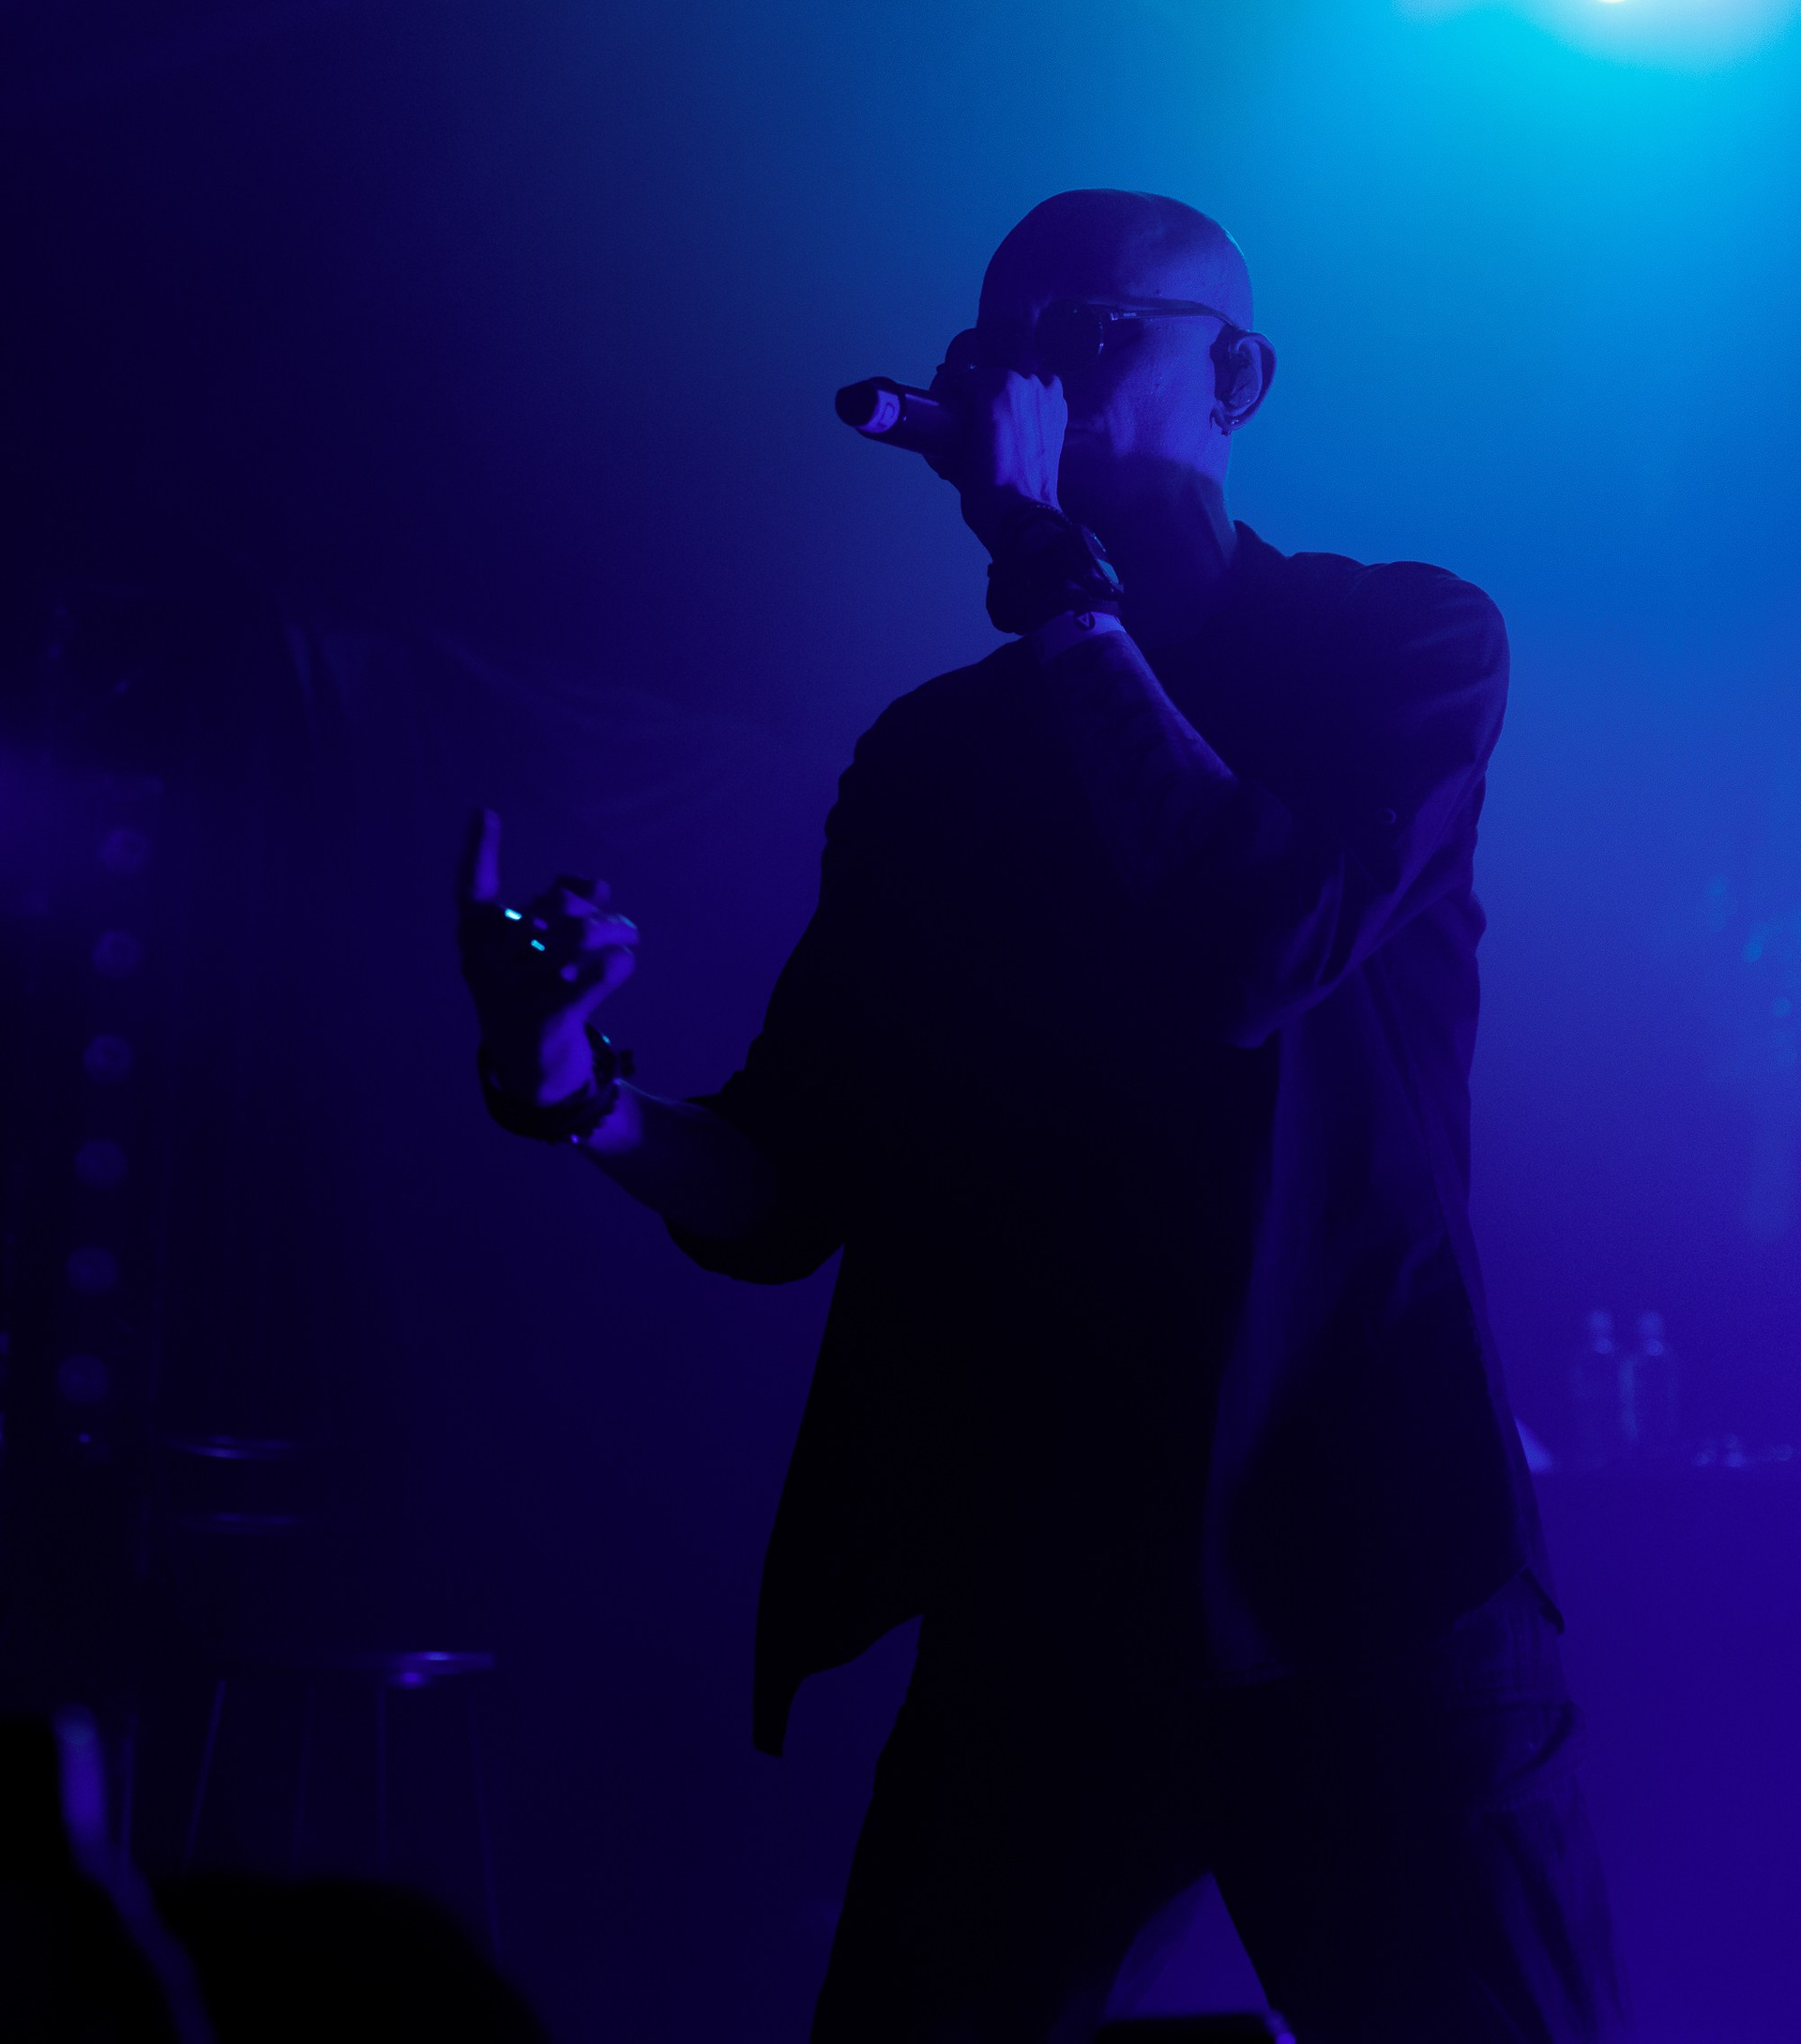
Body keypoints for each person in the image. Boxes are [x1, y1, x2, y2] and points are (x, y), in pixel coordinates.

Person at [458, 189, 1627, 2043]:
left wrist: (1046, 565)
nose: (1033, 377)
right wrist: (571, 1088)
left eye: (1089, 334)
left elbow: (1257, 944)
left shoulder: (1394, 644)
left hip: (1365, 1560)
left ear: (1237, 377)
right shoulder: (938, 761)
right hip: (1051, 1584)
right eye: (1007, 343)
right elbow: (784, 1182)